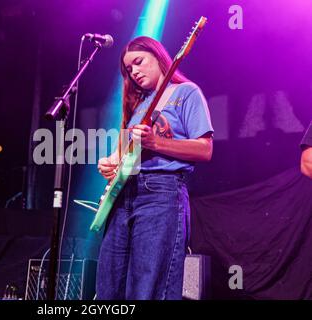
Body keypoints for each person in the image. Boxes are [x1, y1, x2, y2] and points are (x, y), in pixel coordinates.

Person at [96, 36, 214, 300]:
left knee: (148, 287)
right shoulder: (137, 107)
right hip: (124, 195)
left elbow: (205, 149)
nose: (134, 72)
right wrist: (110, 163)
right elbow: (122, 156)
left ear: (158, 57)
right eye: (128, 70)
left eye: (138, 62)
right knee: (109, 284)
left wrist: (156, 142)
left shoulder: (187, 92)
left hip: (161, 193)